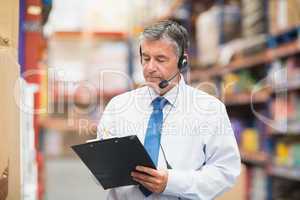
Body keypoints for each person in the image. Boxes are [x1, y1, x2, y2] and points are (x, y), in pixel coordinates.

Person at [97, 20, 241, 200]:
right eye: (146, 58)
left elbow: (225, 172)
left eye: (160, 59)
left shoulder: (209, 109)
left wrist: (172, 183)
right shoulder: (118, 106)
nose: (150, 68)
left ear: (183, 61)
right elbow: (100, 169)